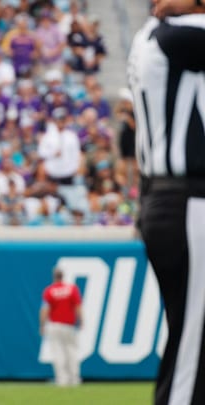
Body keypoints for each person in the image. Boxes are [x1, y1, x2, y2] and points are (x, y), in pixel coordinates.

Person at [129, 5, 205, 404]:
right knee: (192, 345)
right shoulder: (175, 35)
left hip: (168, 199)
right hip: (189, 200)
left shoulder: (158, 35)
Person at [39, 268, 82, 387]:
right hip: (69, 325)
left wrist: (42, 325)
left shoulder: (49, 291)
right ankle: (74, 379)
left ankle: (62, 379)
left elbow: (44, 309)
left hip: (55, 325)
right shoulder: (72, 289)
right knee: (72, 352)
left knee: (58, 353)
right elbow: (78, 306)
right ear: (63, 276)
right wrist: (81, 320)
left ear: (54, 276)